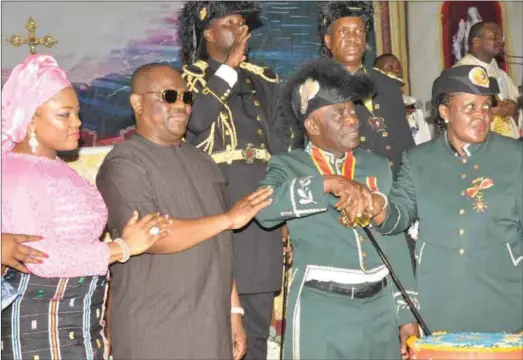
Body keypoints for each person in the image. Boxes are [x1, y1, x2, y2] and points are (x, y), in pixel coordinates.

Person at [96, 63, 274, 359]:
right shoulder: (125, 163)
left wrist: (233, 313)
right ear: (137, 103)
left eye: (186, 97)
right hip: (156, 328)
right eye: (168, 96)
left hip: (211, 325)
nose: (180, 105)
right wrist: (228, 219)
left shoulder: (203, 162)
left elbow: (221, 245)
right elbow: (155, 236)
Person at [1, 54, 169, 360]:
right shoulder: (17, 172)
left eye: (77, 113)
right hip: (38, 334)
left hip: (77, 329)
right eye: (64, 115)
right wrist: (123, 248)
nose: (77, 122)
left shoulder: (55, 168)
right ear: (30, 119)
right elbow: (40, 257)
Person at [256, 58, 419, 360]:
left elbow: (392, 239)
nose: (353, 119)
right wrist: (327, 184)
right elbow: (264, 210)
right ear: (312, 125)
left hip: (380, 308)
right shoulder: (289, 166)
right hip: (321, 310)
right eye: (339, 113)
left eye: (353, 109)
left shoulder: (376, 165)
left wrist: (406, 312)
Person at [178, 3, 296, 358]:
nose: (240, 30)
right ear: (208, 33)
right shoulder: (188, 80)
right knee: (217, 322)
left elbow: (283, 148)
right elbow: (195, 122)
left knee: (258, 327)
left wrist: (285, 210)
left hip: (262, 208)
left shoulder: (267, 79)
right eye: (230, 23)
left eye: (243, 24)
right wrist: (228, 68)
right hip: (216, 205)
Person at [367, 65, 523, 333]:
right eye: (470, 107)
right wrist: (378, 207)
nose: (481, 116)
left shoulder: (514, 156)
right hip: (439, 304)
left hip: (505, 300)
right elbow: (397, 217)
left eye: (486, 107)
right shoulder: (418, 160)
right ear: (444, 112)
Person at [318, 1, 415, 176]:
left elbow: (405, 144)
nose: (352, 38)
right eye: (343, 31)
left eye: (358, 31)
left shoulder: (388, 85)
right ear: (328, 41)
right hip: (349, 190)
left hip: (395, 187)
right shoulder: (317, 89)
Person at [455, 21, 522, 139]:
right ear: (476, 42)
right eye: (494, 36)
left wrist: (514, 107)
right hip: (479, 144)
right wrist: (492, 110)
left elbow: (515, 101)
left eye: (501, 37)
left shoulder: (501, 75)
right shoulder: (459, 73)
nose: (500, 41)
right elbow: (456, 112)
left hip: (508, 142)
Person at [374, 53, 433, 145]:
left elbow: (423, 134)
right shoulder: (374, 103)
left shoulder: (412, 101)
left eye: (398, 66)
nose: (396, 70)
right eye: (390, 67)